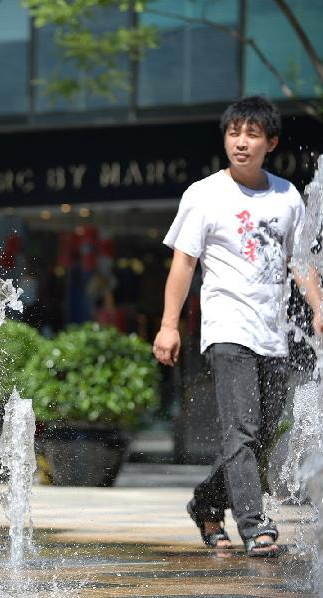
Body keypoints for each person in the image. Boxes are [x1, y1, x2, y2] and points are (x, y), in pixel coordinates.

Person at [152, 96, 323, 557]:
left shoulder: (287, 195)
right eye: (234, 133)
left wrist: (319, 306)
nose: (240, 143)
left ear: (271, 142)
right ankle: (255, 525)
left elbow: (299, 261)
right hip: (227, 328)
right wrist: (169, 326)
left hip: (273, 332)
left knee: (264, 432)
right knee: (241, 429)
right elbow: (183, 264)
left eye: (251, 135)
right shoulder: (204, 194)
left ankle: (207, 503)